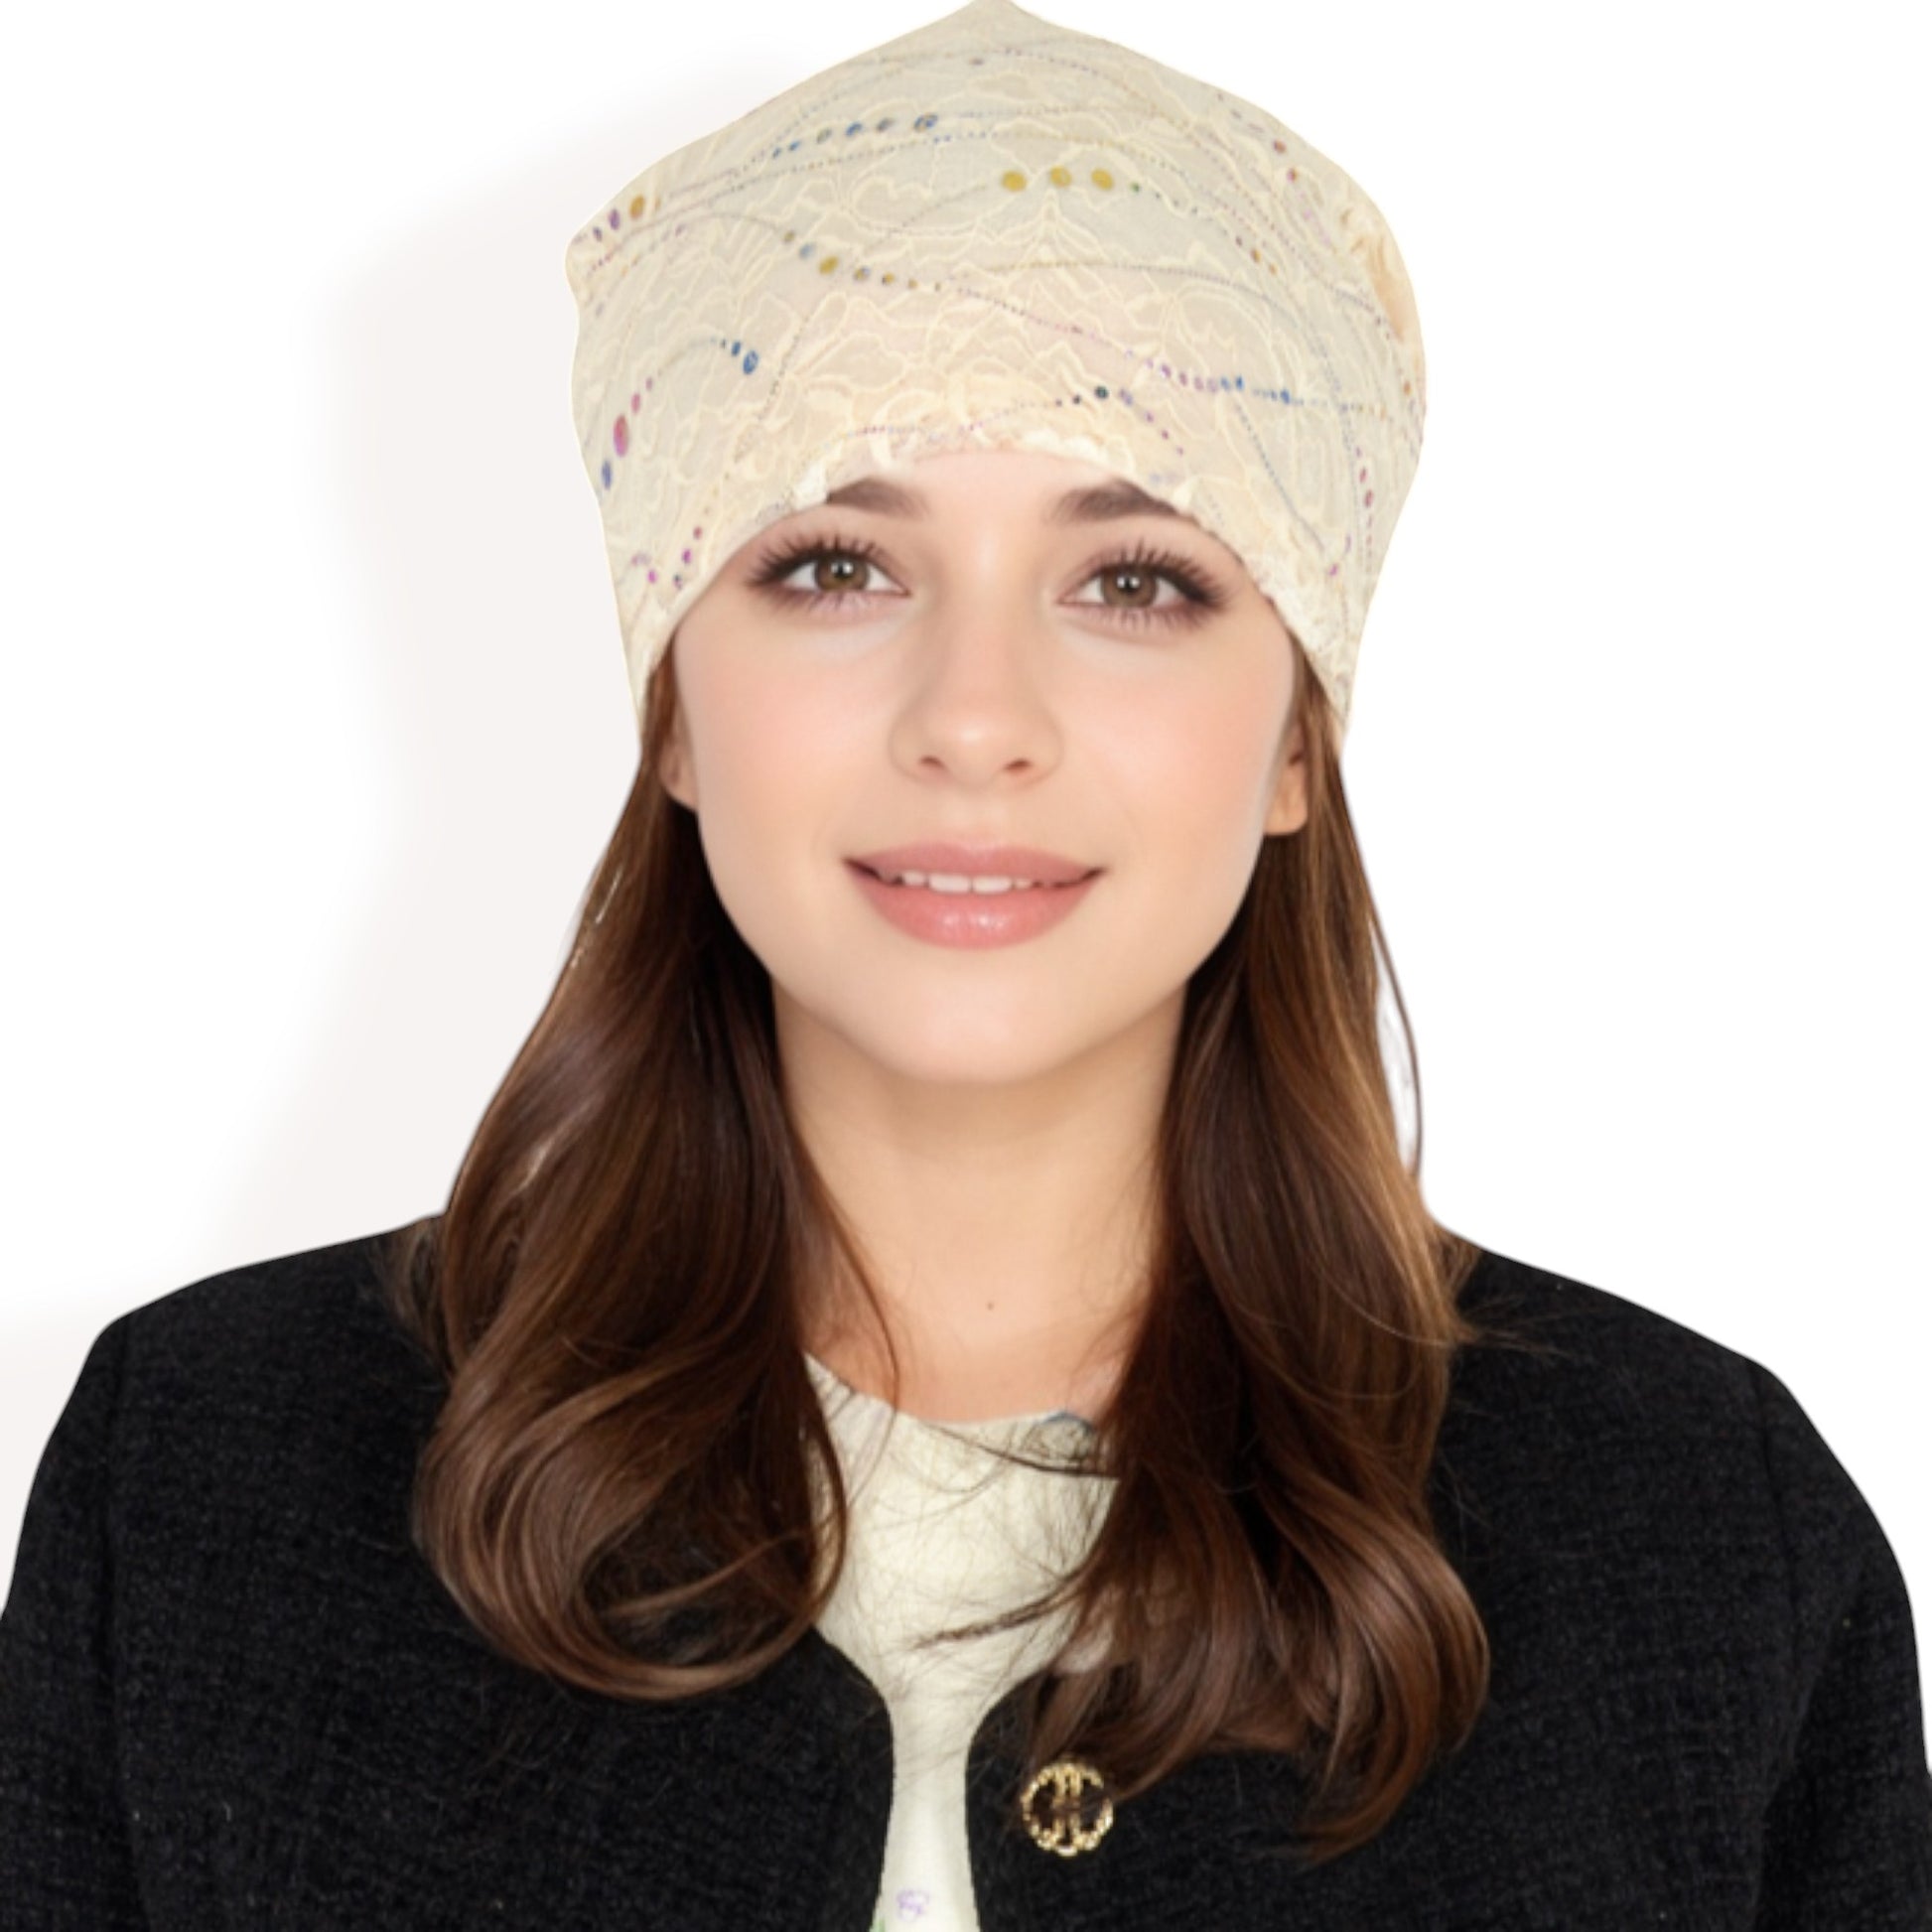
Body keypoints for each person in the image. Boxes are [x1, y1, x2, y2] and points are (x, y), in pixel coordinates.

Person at [3, 0, 1928, 1924]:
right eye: (836, 565)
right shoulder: (202, 1486)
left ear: (1295, 737)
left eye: (1135, 579)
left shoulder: (1700, 1542)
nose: (975, 718)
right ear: (672, 703)